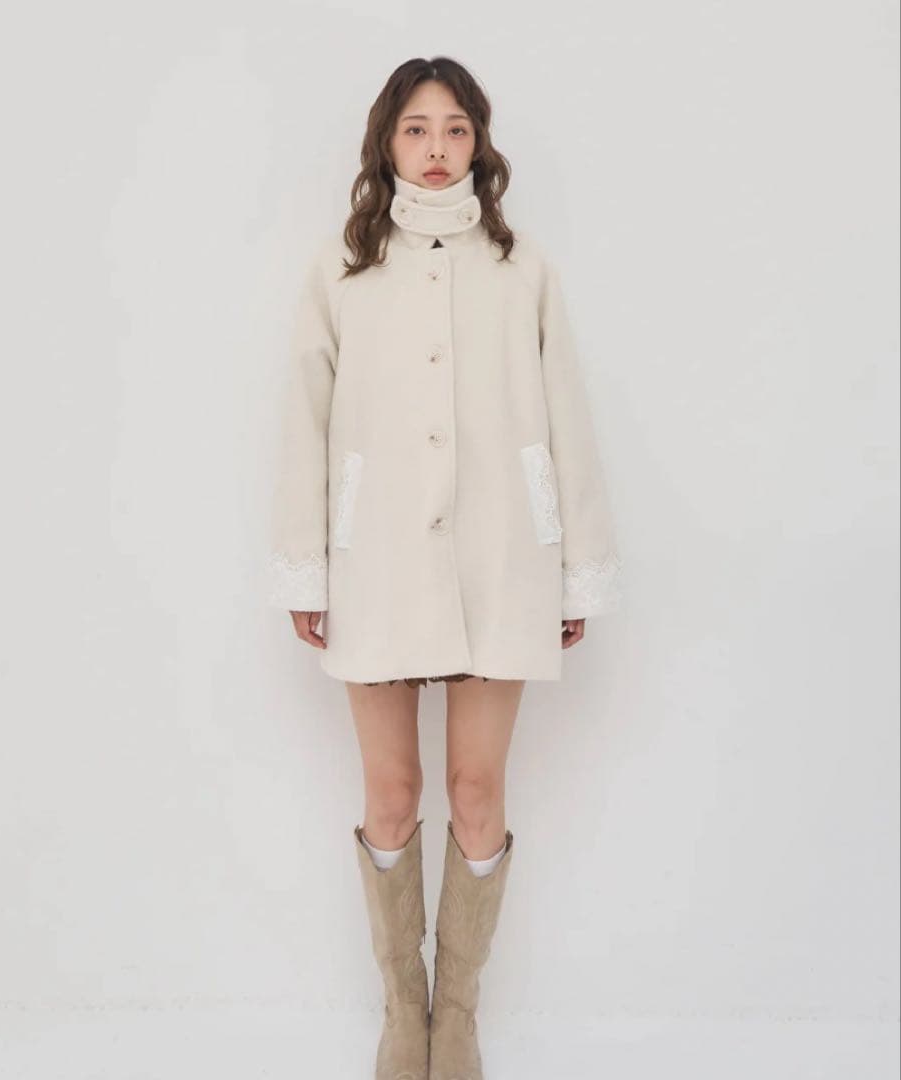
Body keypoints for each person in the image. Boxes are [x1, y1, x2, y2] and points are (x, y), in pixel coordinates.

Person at [269, 55, 622, 1080]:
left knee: (475, 789)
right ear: (387, 141)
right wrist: (307, 566)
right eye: (417, 129)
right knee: (392, 792)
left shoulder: (523, 267)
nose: (437, 150)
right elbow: (303, 423)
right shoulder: (342, 269)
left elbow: (568, 419)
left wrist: (575, 566)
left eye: (456, 129)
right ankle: (402, 1015)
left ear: (481, 143)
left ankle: (455, 1018)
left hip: (502, 557)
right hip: (375, 560)